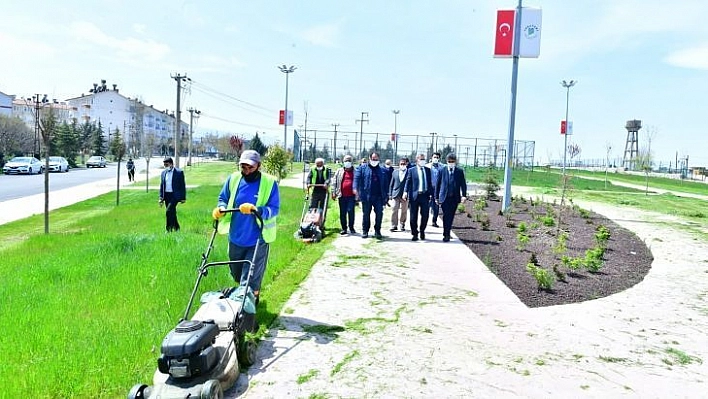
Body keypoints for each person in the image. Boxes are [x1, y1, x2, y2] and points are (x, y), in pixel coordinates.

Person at [213, 150, 280, 304]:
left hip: (258, 239)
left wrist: (258, 210)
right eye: (243, 167)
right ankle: (246, 297)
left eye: (250, 167)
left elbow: (274, 208)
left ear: (259, 166)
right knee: (237, 275)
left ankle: (249, 309)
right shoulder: (234, 179)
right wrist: (221, 208)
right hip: (236, 237)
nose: (247, 171)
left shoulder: (269, 183)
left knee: (249, 279)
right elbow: (223, 197)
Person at [353, 152, 387, 239]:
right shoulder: (362, 168)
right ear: (369, 158)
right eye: (373, 159)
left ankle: (377, 231)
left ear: (379, 159)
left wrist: (387, 195)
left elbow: (387, 183)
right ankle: (365, 231)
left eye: (376, 159)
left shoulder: (383, 170)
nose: (374, 161)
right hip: (366, 196)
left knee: (379, 214)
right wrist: (355, 189)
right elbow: (356, 179)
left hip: (379, 197)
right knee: (366, 214)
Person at [436, 153, 467, 242]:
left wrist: (464, 195)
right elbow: (438, 185)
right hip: (444, 197)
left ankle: (448, 232)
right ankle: (446, 234)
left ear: (455, 162)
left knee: (451, 216)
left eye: (452, 161)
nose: (451, 163)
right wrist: (436, 197)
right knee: (446, 215)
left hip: (454, 198)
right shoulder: (442, 170)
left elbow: (463, 185)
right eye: (449, 161)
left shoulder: (459, 171)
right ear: (446, 161)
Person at [404, 153, 433, 241]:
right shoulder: (411, 170)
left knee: (425, 215)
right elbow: (408, 182)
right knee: (413, 216)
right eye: (421, 159)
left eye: (424, 159)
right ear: (417, 160)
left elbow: (430, 183)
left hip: (425, 196)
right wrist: (405, 192)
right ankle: (414, 233)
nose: (423, 161)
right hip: (414, 196)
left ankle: (422, 230)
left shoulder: (428, 170)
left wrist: (431, 193)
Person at [331, 154, 357, 235]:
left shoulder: (356, 171)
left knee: (351, 211)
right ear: (343, 162)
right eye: (346, 160)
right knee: (343, 212)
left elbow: (359, 183)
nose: (347, 162)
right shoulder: (339, 171)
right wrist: (333, 192)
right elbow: (334, 182)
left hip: (352, 196)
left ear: (352, 162)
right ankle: (344, 228)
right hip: (341, 195)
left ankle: (351, 227)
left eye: (349, 160)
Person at [158, 157, 186, 232]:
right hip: (166, 195)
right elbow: (162, 185)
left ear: (171, 164)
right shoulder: (163, 173)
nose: (165, 166)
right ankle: (177, 228)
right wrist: (161, 197)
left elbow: (182, 185)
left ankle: (168, 229)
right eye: (164, 165)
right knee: (172, 212)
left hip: (175, 196)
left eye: (167, 164)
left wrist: (183, 197)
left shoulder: (179, 172)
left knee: (168, 211)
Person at [388, 157, 409, 232]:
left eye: (404, 163)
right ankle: (394, 225)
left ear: (406, 164)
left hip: (405, 195)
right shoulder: (395, 172)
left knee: (404, 210)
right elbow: (391, 184)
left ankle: (402, 223)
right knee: (394, 209)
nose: (402, 165)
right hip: (395, 194)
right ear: (399, 164)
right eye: (401, 164)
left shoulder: (409, 172)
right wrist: (390, 194)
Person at [428, 152, 444, 227]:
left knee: (436, 206)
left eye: (437, 157)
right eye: (434, 157)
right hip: (429, 188)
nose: (436, 159)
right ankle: (424, 220)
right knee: (426, 206)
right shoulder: (427, 166)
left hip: (437, 189)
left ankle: (434, 221)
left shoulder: (442, 167)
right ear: (431, 158)